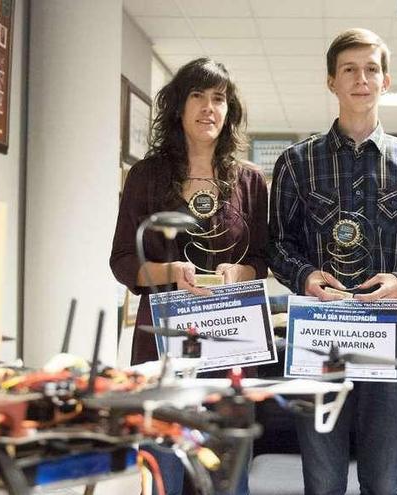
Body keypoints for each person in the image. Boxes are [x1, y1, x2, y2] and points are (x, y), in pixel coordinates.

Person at [268, 28, 397, 494]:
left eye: (371, 69)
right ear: (331, 82)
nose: (361, 78)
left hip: (390, 339)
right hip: (320, 338)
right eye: (349, 70)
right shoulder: (296, 162)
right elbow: (277, 245)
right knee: (322, 482)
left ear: (386, 81)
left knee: (384, 482)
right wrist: (304, 277)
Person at [110, 58, 267, 495]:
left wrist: (242, 271)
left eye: (218, 98)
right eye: (197, 95)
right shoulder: (146, 175)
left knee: (226, 479)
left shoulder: (250, 181)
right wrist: (167, 271)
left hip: (231, 344)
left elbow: (262, 258)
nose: (208, 107)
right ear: (178, 106)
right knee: (165, 473)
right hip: (162, 345)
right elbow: (123, 260)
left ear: (229, 110)